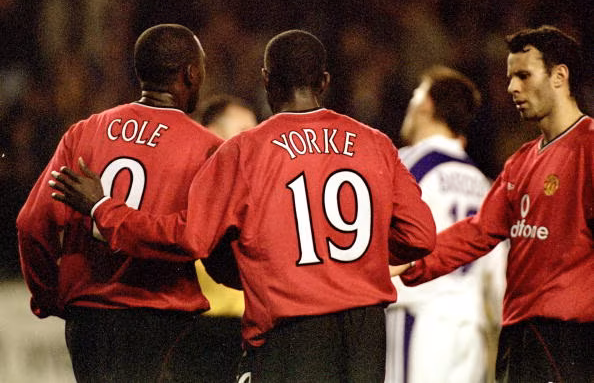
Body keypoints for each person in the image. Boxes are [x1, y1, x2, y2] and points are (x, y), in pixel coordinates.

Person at [49, 29, 437, 382]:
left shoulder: (245, 151)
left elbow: (190, 238)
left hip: (291, 333)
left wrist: (104, 209)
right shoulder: (375, 143)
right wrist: (357, 262)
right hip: (367, 334)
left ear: (266, 79)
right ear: (324, 82)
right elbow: (420, 235)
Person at [17, 23, 225, 382]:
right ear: (191, 73)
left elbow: (32, 224)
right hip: (162, 317)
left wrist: (50, 296)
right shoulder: (206, 148)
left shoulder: (86, 131)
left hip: (89, 320)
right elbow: (196, 237)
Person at [391, 25, 593, 383]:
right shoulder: (521, 162)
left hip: (568, 337)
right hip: (519, 336)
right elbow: (479, 231)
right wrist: (410, 262)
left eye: (524, 75)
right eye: (510, 77)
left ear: (559, 76)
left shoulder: (588, 150)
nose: (512, 87)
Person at [385, 66, 507, 383]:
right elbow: (498, 269)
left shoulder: (406, 165)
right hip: (469, 328)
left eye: (415, 96)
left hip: (419, 316)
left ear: (426, 103)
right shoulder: (483, 183)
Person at [172, 95, 258, 383]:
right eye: (243, 131)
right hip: (198, 329)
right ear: (210, 133)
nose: (253, 140)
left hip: (248, 328)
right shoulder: (186, 186)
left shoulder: (257, 186)